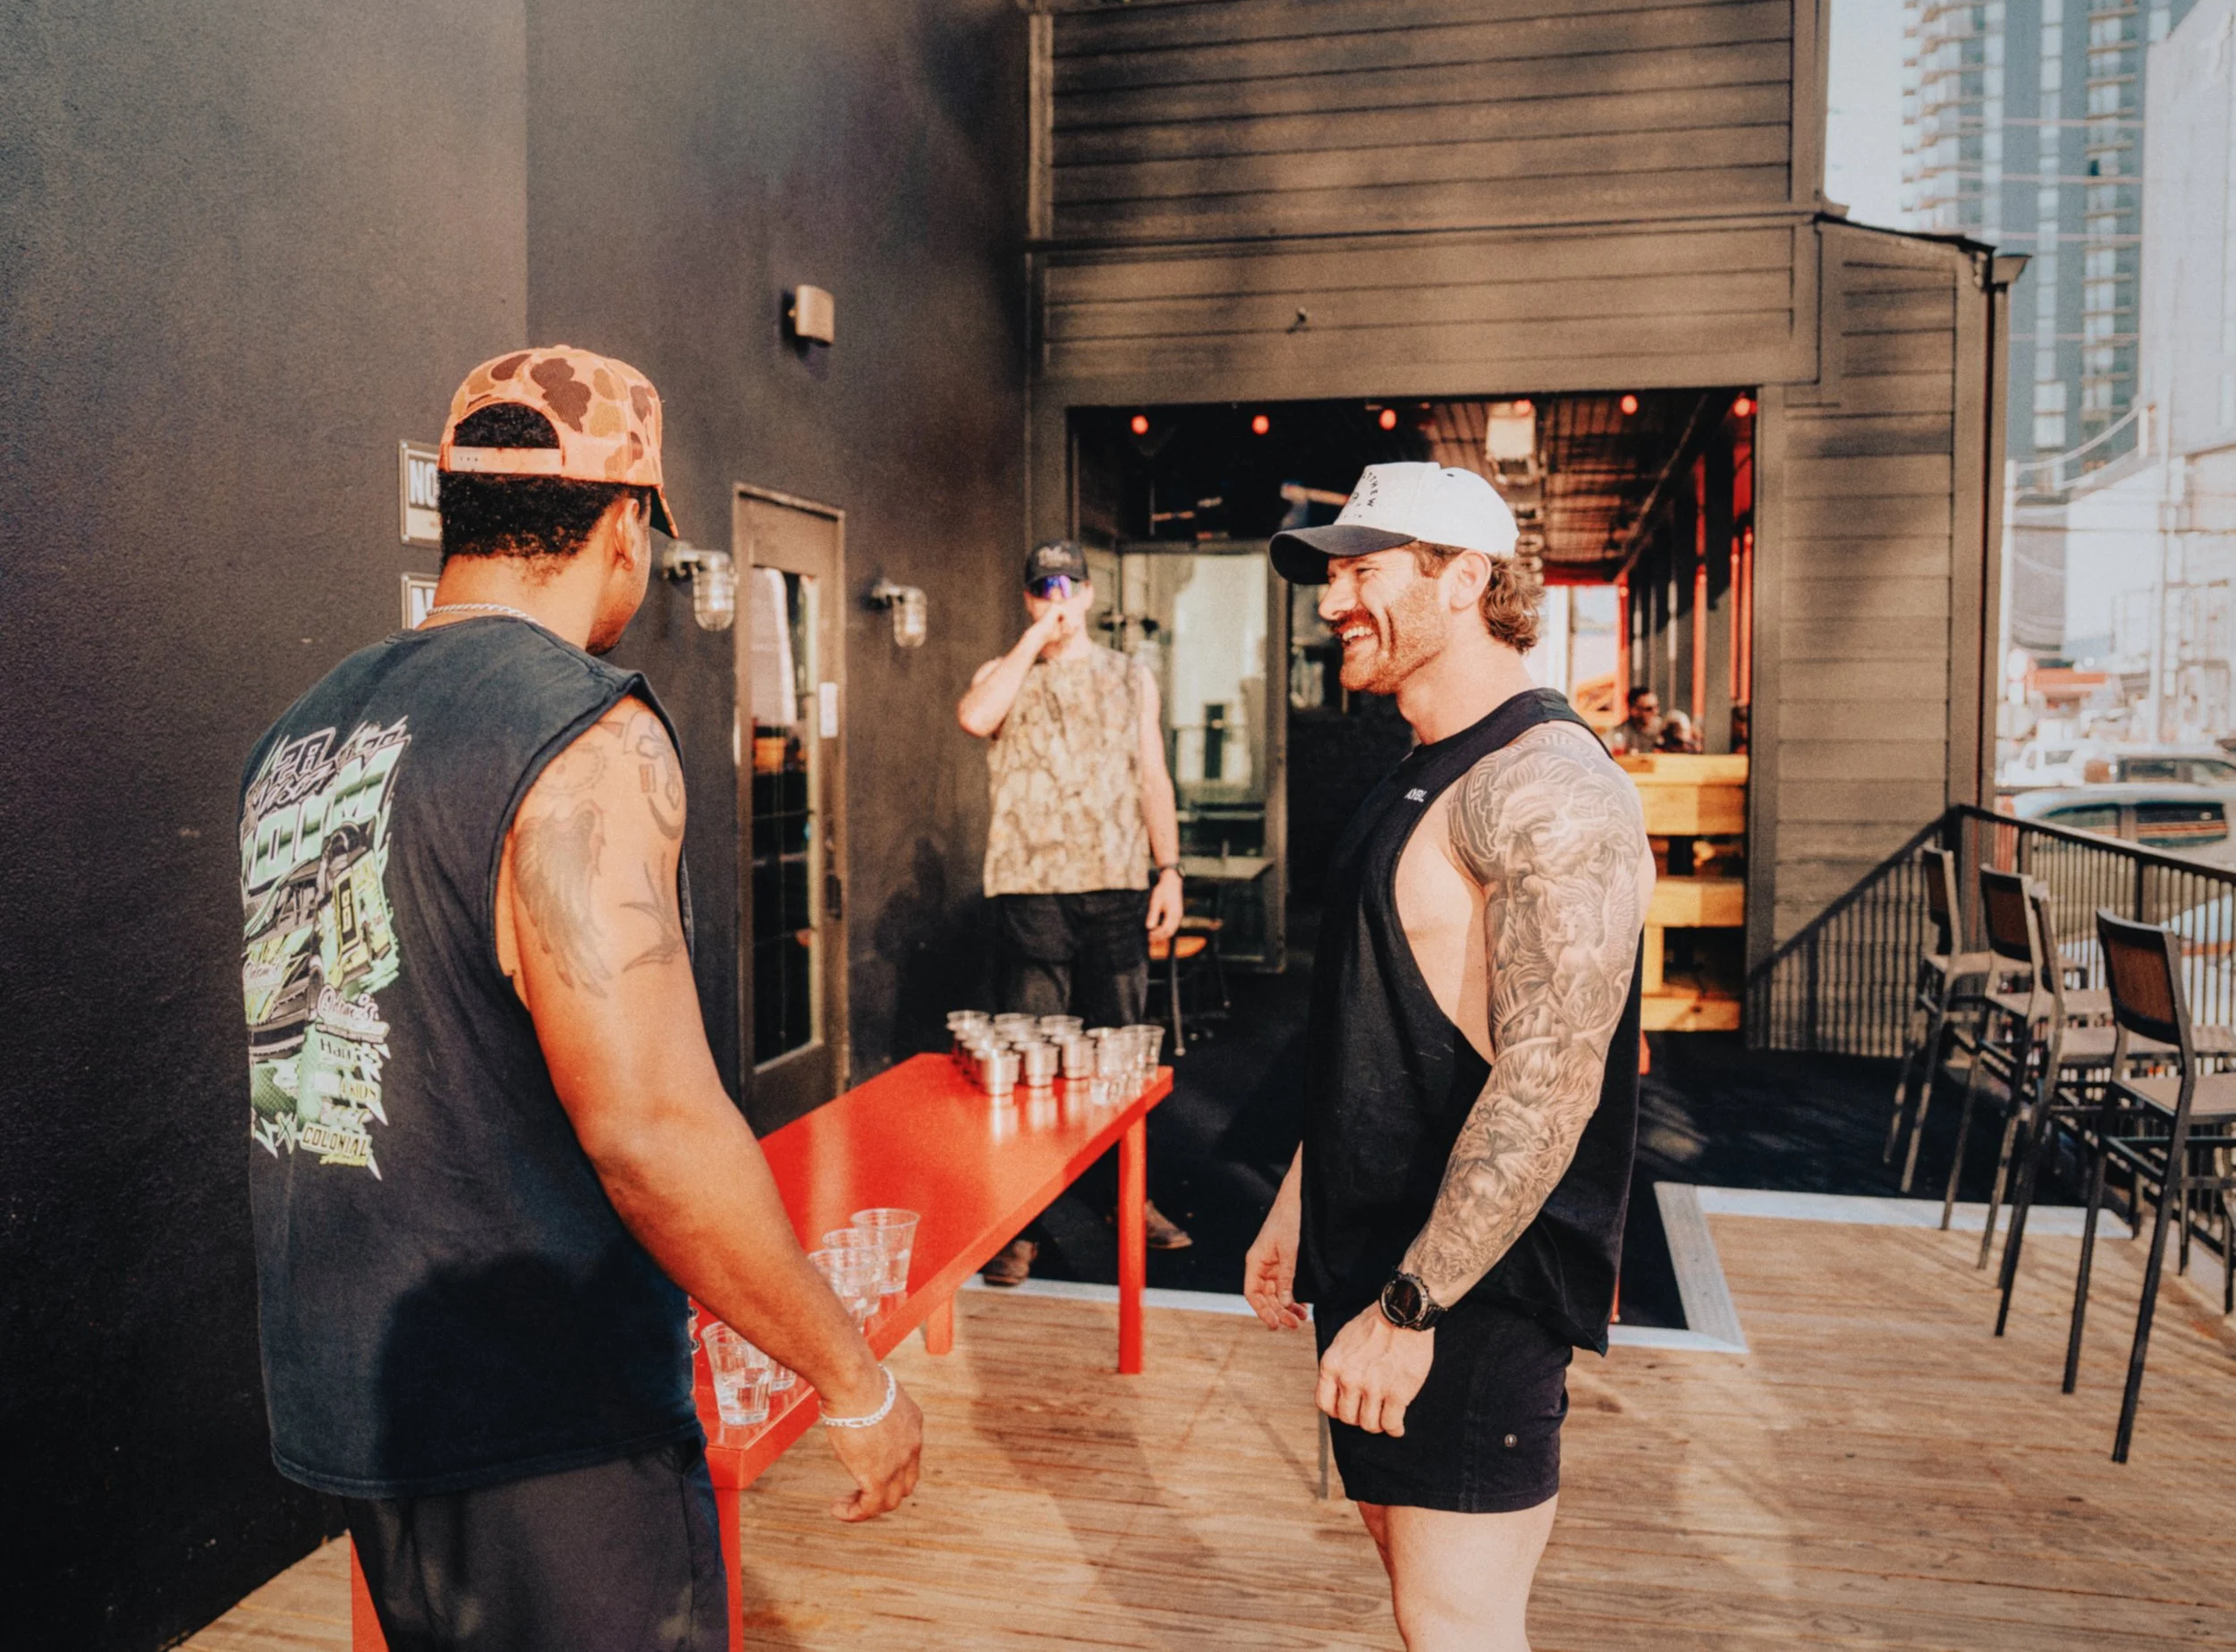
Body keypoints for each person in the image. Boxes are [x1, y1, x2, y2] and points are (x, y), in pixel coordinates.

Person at [238, 347, 920, 1651]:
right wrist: (852, 1372)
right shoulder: (583, 734)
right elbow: (647, 1125)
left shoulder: (299, 736)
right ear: (624, 526)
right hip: (543, 1407)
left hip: (362, 1393)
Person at [1251, 462, 1653, 1652]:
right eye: (1334, 574)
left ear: (1466, 578)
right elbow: (1374, 1019)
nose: (1333, 601)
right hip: (1375, 1263)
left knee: (1459, 1625)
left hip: (1465, 1299)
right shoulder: (1425, 758)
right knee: (1412, 1589)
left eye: (1363, 571)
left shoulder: (1548, 786)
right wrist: (1297, 1203)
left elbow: (1551, 1081)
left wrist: (1413, 1304)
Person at [957, 538, 1195, 1281]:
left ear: (1089, 593)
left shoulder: (1131, 677)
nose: (1055, 598)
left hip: (1117, 882)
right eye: (1040, 589)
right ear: (1028, 598)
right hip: (1031, 887)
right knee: (1031, 1056)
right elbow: (975, 717)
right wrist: (1034, 638)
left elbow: (1153, 775)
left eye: (1066, 587)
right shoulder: (1005, 673)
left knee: (1123, 1053)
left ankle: (1132, 1200)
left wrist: (1170, 870)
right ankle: (1020, 1221)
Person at [1606, 685, 1662, 755]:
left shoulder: (1663, 729)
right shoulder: (1619, 733)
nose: (1656, 712)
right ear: (1634, 710)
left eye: (1656, 707)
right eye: (1648, 709)